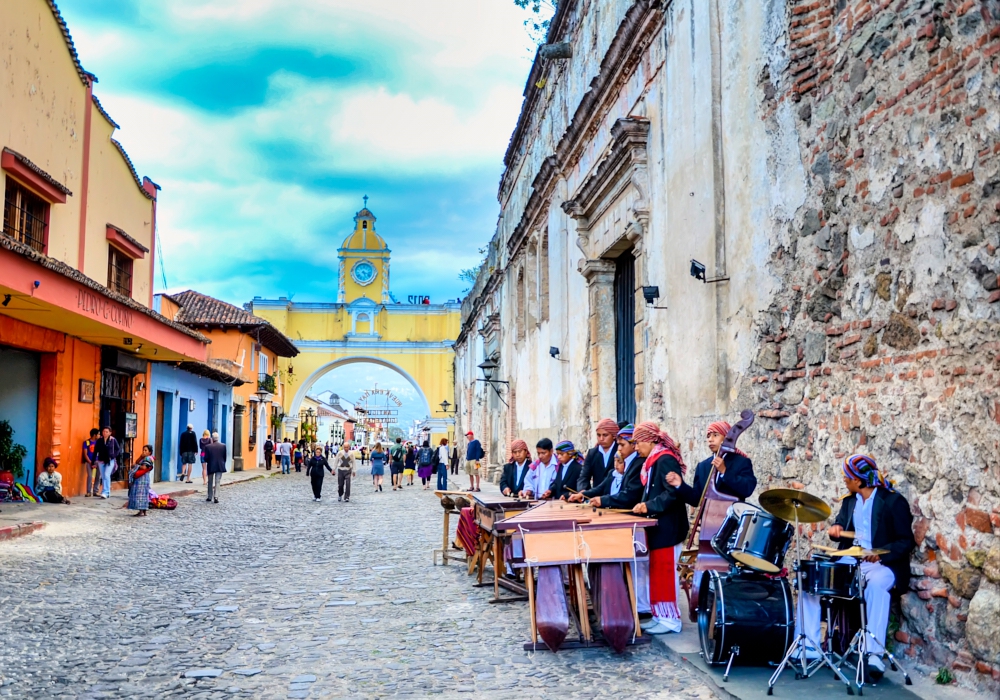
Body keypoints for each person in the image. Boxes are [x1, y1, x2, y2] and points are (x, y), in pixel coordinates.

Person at [796, 454, 916, 678]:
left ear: (859, 480)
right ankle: (808, 647)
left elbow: (905, 540)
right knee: (811, 578)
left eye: (847, 476)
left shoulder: (892, 501)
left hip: (882, 564)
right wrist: (836, 528)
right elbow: (841, 525)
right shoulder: (850, 501)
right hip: (851, 560)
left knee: (877, 585)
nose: (844, 479)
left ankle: (873, 655)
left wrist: (880, 555)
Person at [630, 421, 689, 635]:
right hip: (658, 526)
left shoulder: (665, 460)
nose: (635, 448)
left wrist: (648, 505)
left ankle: (671, 619)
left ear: (650, 440)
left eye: (637, 443)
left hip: (669, 526)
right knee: (656, 573)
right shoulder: (653, 461)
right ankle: (659, 615)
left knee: (666, 573)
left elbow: (672, 493)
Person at [670, 420, 757, 507]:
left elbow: (748, 489)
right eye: (708, 436)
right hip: (707, 519)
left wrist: (725, 472)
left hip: (731, 519)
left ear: (727, 438)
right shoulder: (702, 466)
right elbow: (697, 500)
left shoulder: (741, 462)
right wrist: (680, 485)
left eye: (715, 435)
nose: (710, 440)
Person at [569, 424, 643, 509]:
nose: (619, 448)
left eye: (622, 445)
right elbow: (600, 488)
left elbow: (630, 495)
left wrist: (603, 500)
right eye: (618, 444)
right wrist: (582, 494)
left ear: (633, 445)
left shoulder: (639, 464)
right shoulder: (618, 468)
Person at [577, 418, 619, 491]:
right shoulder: (592, 453)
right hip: (595, 497)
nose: (601, 439)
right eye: (598, 435)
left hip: (615, 497)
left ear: (614, 436)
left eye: (605, 435)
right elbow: (584, 477)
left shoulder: (619, 450)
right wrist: (583, 490)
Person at [95, 426, 121, 500]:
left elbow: (118, 449)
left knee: (106, 474)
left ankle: (105, 492)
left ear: (110, 433)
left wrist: (113, 456)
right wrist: (94, 460)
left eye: (106, 432)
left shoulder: (113, 440)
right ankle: (107, 492)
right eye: (103, 431)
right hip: (101, 460)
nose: (105, 433)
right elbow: (96, 450)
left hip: (110, 460)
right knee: (103, 477)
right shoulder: (99, 440)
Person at [127, 445, 154, 516]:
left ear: (149, 452)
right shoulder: (144, 458)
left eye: (146, 450)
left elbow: (144, 467)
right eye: (143, 450)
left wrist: (136, 466)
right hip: (142, 478)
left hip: (143, 478)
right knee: (143, 494)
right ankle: (144, 511)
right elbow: (137, 461)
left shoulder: (148, 459)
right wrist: (141, 456)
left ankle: (141, 511)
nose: (144, 452)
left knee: (141, 494)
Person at [204, 431, 227, 504]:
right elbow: (224, 457)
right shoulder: (223, 446)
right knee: (217, 481)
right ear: (218, 438)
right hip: (220, 465)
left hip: (211, 465)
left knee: (210, 481)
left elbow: (205, 458)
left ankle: (209, 496)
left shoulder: (208, 447)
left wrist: (208, 461)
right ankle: (216, 497)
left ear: (212, 439)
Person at [82, 428, 99, 497]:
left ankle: (95, 491)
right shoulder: (86, 442)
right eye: (98, 434)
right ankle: (88, 492)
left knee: (98, 476)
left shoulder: (99, 442)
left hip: (98, 461)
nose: (99, 435)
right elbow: (85, 454)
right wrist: (90, 462)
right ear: (94, 435)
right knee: (89, 476)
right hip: (89, 461)